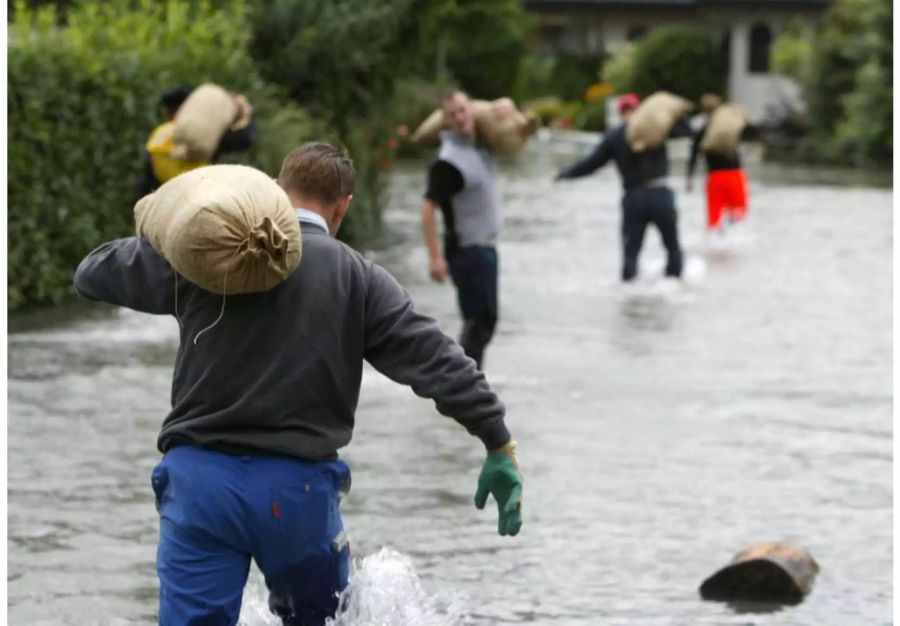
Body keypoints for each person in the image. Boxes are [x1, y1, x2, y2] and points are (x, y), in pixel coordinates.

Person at [75, 142, 524, 626]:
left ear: (274, 186)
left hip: (199, 485)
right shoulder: (359, 277)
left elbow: (93, 274)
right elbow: (438, 361)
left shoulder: (209, 255)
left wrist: (183, 229)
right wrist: (497, 439)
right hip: (297, 493)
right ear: (342, 207)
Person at [555, 93, 690, 282]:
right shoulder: (657, 129)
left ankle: (629, 301)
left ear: (620, 113)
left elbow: (592, 164)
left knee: (630, 254)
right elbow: (686, 132)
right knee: (673, 248)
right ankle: (674, 288)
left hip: (634, 199)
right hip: (660, 195)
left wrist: (566, 174)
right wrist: (676, 114)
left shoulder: (615, 136)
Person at [420, 88, 502, 371]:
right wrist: (435, 258)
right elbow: (428, 208)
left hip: (486, 247)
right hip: (466, 251)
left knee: (486, 320)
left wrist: (505, 105)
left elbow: (508, 119)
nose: (460, 117)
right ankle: (461, 382)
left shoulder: (480, 146)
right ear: (445, 120)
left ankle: (468, 378)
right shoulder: (447, 162)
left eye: (463, 110)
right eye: (452, 113)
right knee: (478, 321)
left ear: (472, 111)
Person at [135, 83, 258, 199]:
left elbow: (145, 184)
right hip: (199, 200)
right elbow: (247, 139)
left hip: (164, 203)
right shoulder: (209, 134)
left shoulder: (160, 133)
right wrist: (246, 114)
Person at [686, 94, 758, 232]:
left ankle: (715, 245)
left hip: (714, 178)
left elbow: (693, 156)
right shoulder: (730, 128)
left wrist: (689, 179)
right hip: (734, 175)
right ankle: (727, 229)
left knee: (713, 219)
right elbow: (752, 133)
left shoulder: (702, 131)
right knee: (739, 211)